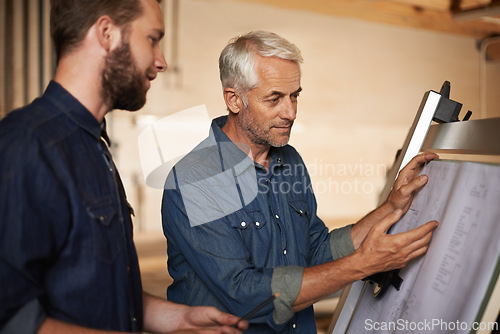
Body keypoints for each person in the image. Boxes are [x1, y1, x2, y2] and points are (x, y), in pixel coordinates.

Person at [161, 31, 439, 333]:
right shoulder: (196, 180)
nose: (291, 112)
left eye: (295, 95)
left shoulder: (288, 160)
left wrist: (389, 208)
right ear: (234, 100)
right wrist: (363, 264)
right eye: (275, 98)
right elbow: (243, 294)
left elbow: (315, 250)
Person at [0, 0, 248, 333]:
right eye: (152, 39)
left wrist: (177, 319)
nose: (161, 61)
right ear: (106, 33)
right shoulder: (27, 146)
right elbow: (12, 320)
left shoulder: (91, 145)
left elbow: (94, 289)